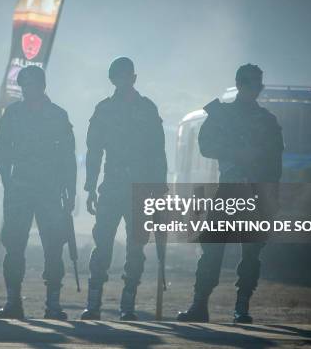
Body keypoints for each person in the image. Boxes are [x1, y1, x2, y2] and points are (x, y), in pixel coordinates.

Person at [176, 63, 283, 324]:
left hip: (256, 191)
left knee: (251, 254)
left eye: (259, 85)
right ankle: (199, 305)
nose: (255, 90)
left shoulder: (267, 121)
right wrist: (236, 153)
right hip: (228, 190)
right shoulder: (222, 115)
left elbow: (276, 161)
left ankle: (242, 307)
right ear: (240, 84)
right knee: (211, 249)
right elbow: (205, 146)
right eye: (251, 84)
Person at [81, 57, 167, 321]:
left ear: (134, 78)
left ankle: (127, 305)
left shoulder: (148, 109)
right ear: (113, 80)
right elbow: (93, 151)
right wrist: (90, 186)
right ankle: (93, 304)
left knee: (136, 248)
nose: (123, 81)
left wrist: (160, 190)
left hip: (141, 189)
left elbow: (158, 153)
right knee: (103, 245)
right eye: (118, 76)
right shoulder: (104, 110)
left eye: (127, 76)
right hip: (112, 188)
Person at [0, 65, 76, 320]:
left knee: (53, 248)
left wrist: (70, 191)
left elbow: (68, 157)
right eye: (24, 85)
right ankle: (13, 303)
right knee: (14, 246)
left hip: (50, 191)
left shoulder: (58, 115)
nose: (28, 89)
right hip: (19, 189)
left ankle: (53, 305)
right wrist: (9, 181)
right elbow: (1, 150)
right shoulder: (13, 114)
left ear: (42, 86)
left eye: (33, 84)